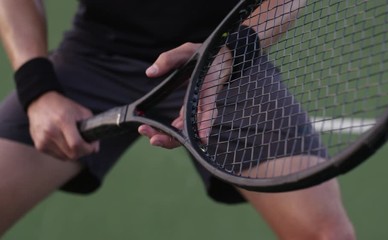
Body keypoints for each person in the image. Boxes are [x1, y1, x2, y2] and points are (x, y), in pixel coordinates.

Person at [0, 0, 355, 239]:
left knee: (328, 234)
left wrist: (229, 53)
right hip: (96, 56)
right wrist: (38, 91)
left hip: (219, 54)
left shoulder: (224, 55)